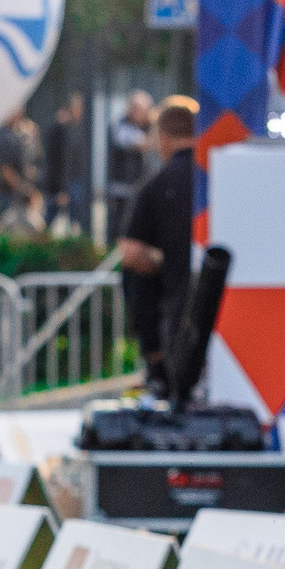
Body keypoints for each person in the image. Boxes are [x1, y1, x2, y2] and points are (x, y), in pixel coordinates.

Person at [115, 95, 197, 380]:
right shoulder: (218, 177)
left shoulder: (157, 185)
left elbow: (131, 253)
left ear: (162, 137)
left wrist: (165, 261)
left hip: (178, 313)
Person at [105, 90, 154, 234]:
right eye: (137, 109)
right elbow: (142, 143)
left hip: (139, 184)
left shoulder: (147, 126)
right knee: (119, 224)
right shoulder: (120, 126)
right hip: (121, 185)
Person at [44, 91, 89, 235]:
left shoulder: (84, 128)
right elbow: (57, 158)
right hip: (63, 179)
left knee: (75, 217)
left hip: (78, 178)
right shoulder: (63, 129)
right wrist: (60, 187)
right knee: (52, 214)